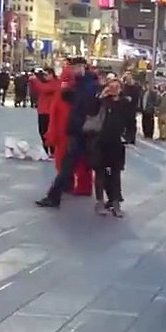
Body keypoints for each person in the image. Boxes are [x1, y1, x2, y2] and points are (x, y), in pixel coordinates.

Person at [36, 59, 100, 207]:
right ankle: (55, 195)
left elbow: (86, 105)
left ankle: (109, 199)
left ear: (83, 68)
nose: (72, 70)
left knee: (92, 165)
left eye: (75, 67)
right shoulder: (79, 84)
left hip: (83, 131)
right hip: (78, 131)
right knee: (70, 164)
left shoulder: (88, 85)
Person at [91, 78, 135, 217]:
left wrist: (128, 137)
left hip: (116, 143)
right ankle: (99, 201)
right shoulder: (101, 101)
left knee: (115, 174)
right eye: (111, 86)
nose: (114, 89)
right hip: (100, 142)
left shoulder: (125, 103)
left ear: (121, 89)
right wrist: (100, 98)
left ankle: (115, 202)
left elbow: (131, 121)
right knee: (100, 172)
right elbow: (91, 113)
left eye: (117, 86)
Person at [31, 68, 61, 155]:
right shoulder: (45, 83)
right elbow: (37, 90)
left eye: (46, 74)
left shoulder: (55, 83)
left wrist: (35, 80)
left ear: (52, 74)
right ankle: (46, 149)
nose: (45, 76)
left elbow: (44, 89)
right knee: (42, 131)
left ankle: (52, 150)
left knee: (48, 131)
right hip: (42, 110)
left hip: (49, 111)